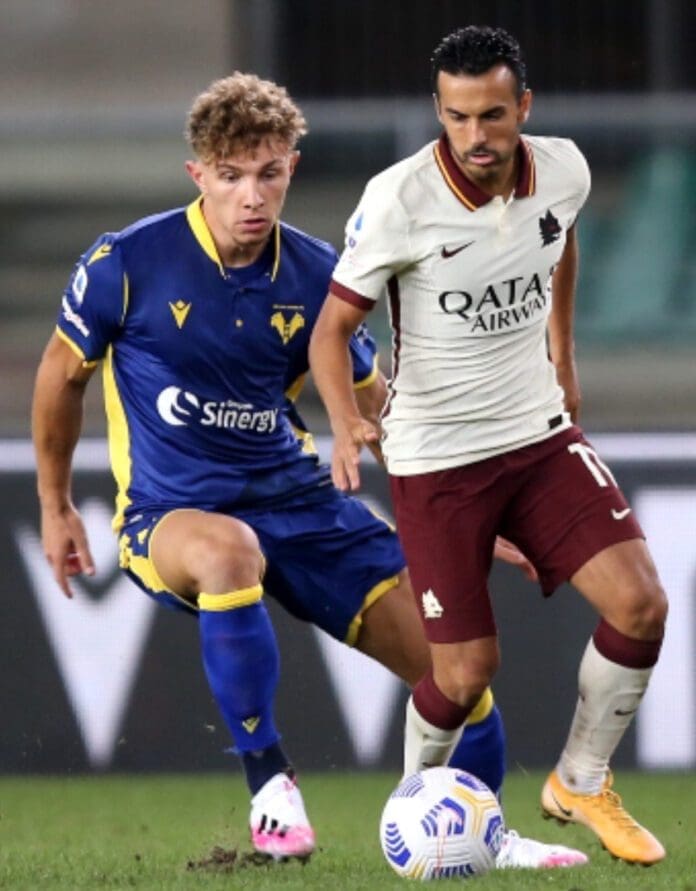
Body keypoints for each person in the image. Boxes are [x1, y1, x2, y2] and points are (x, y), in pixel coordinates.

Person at [32, 72, 586, 869]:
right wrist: (55, 504)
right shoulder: (128, 262)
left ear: (292, 166)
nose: (251, 196)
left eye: (269, 174)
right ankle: (270, 784)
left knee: (454, 667)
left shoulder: (320, 273)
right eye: (231, 176)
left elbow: (376, 402)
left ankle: (487, 835)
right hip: (172, 512)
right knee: (229, 551)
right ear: (198, 174)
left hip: (301, 503)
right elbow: (61, 375)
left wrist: (464, 503)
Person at [309, 25, 668, 867]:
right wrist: (345, 419)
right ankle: (413, 814)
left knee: (641, 604)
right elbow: (330, 332)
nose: (474, 136)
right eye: (457, 116)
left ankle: (580, 780)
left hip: (538, 434)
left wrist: (563, 356)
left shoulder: (566, 170)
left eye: (492, 116)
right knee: (465, 672)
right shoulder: (399, 200)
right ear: (439, 111)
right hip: (438, 459)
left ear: (524, 107)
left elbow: (560, 240)